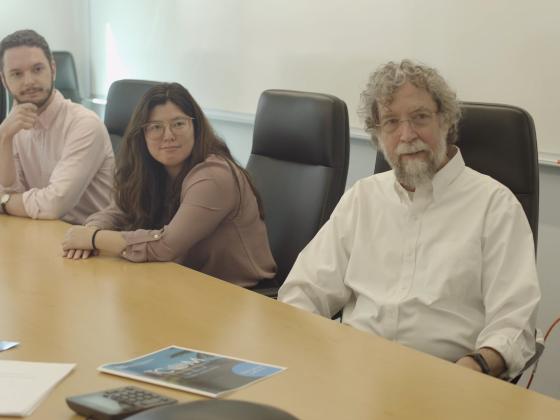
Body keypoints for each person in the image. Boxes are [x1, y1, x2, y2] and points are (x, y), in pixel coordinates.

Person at [278, 59, 540, 379]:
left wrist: (475, 366)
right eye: (390, 122)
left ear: (446, 121)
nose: (406, 134)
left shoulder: (495, 206)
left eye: (419, 117)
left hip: (448, 379)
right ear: (377, 135)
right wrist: (314, 354)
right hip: (353, 374)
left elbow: (514, 324)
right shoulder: (363, 198)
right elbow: (303, 292)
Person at [62, 82, 276, 288]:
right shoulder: (154, 170)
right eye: (156, 127)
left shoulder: (213, 176)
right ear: (143, 134)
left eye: (178, 124)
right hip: (184, 284)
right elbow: (120, 210)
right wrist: (91, 228)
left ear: (195, 126)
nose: (168, 136)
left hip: (240, 297)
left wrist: (94, 239)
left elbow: (165, 245)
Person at [0, 29, 113, 223]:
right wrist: (4, 138)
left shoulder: (84, 124)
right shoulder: (12, 126)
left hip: (90, 241)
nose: (29, 81)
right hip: (39, 231)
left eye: (37, 69)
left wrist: (3, 202)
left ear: (53, 69)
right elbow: (10, 191)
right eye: (17, 74)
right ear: (4, 80)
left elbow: (54, 205)